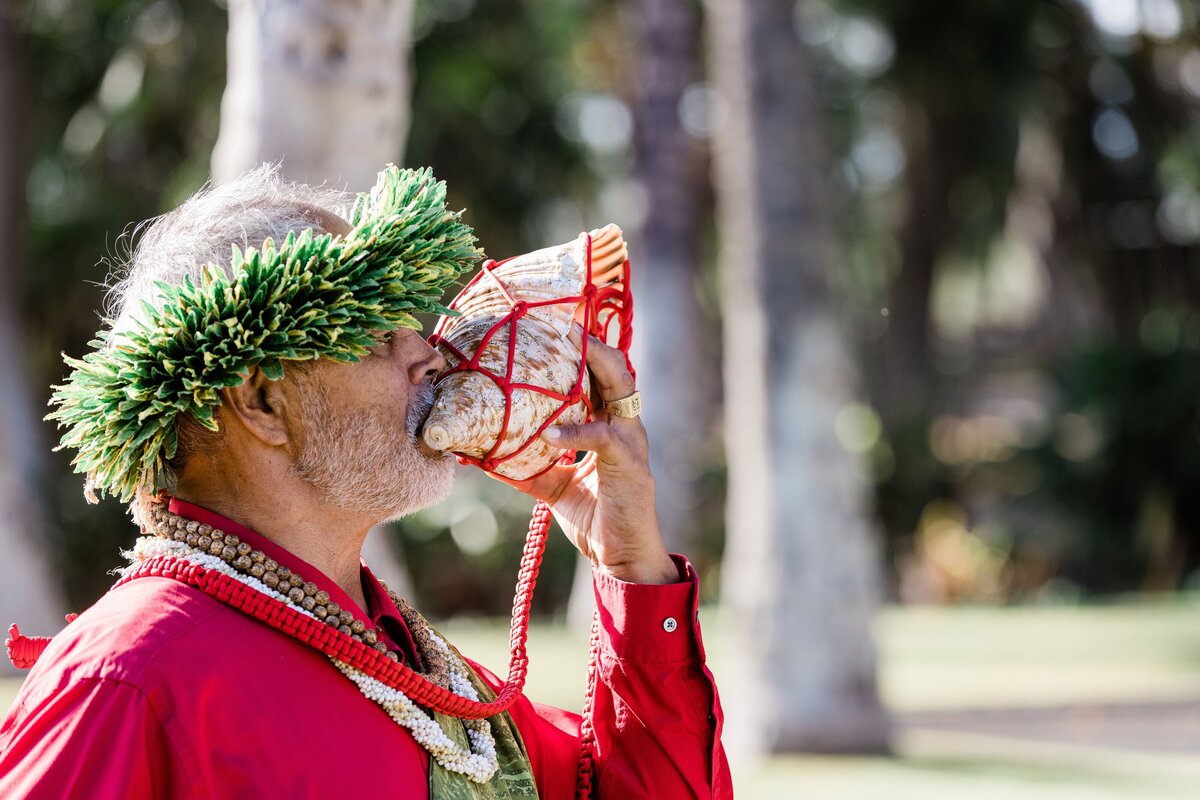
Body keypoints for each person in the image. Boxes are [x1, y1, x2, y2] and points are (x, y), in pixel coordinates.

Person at [0, 165, 732, 799]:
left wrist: (633, 572)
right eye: (379, 334)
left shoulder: (427, 678)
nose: (432, 354)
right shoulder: (126, 679)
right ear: (261, 402)